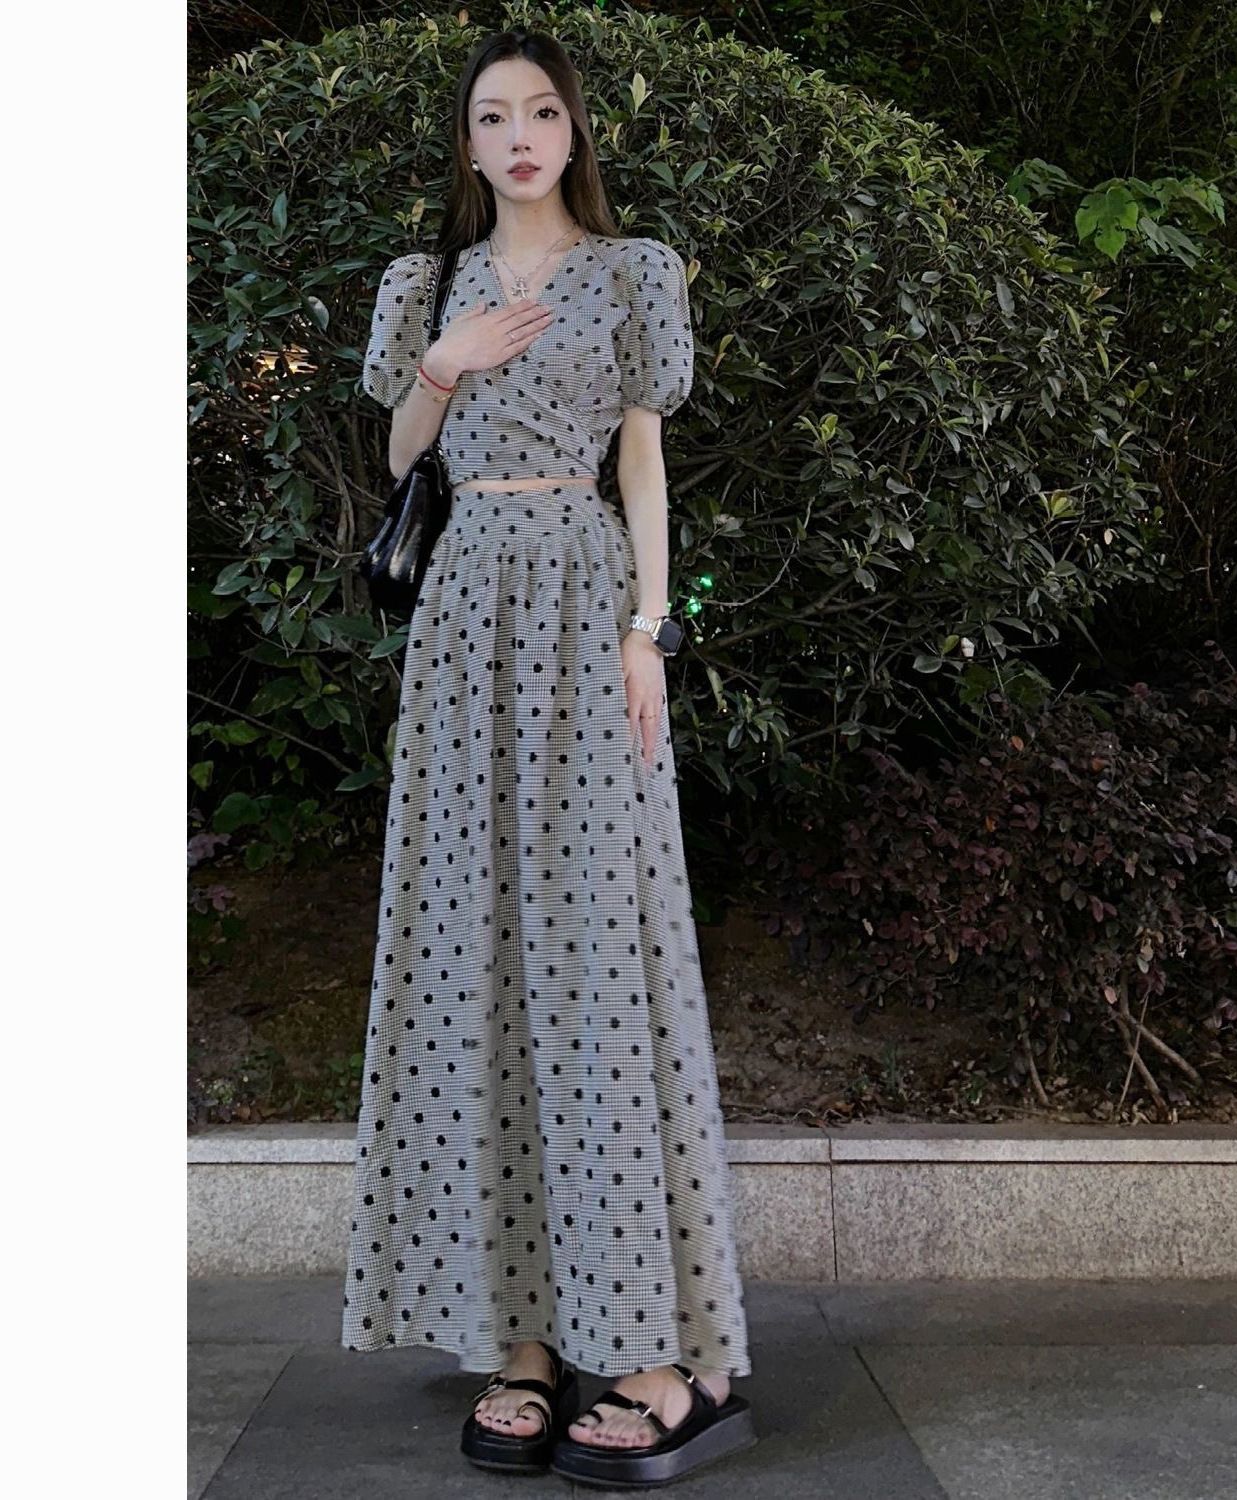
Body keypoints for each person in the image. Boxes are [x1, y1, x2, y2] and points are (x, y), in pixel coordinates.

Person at [341, 26, 756, 1490]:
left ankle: (653, 1342)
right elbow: (403, 459)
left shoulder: (635, 274)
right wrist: (442, 367)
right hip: (465, 619)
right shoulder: (425, 285)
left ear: (575, 131)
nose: (517, 136)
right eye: (491, 117)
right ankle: (516, 1339)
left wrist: (651, 627)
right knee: (472, 953)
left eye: (540, 112)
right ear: (467, 144)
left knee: (597, 949)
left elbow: (643, 459)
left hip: (584, 602)